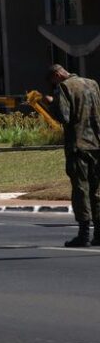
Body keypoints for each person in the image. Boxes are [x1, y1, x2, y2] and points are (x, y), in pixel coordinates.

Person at [45, 64, 100, 247]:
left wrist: (52, 103)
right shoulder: (93, 84)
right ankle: (99, 233)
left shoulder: (64, 87)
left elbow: (64, 117)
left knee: (81, 190)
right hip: (97, 144)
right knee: (97, 190)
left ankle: (84, 234)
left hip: (78, 145)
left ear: (57, 75)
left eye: (53, 81)